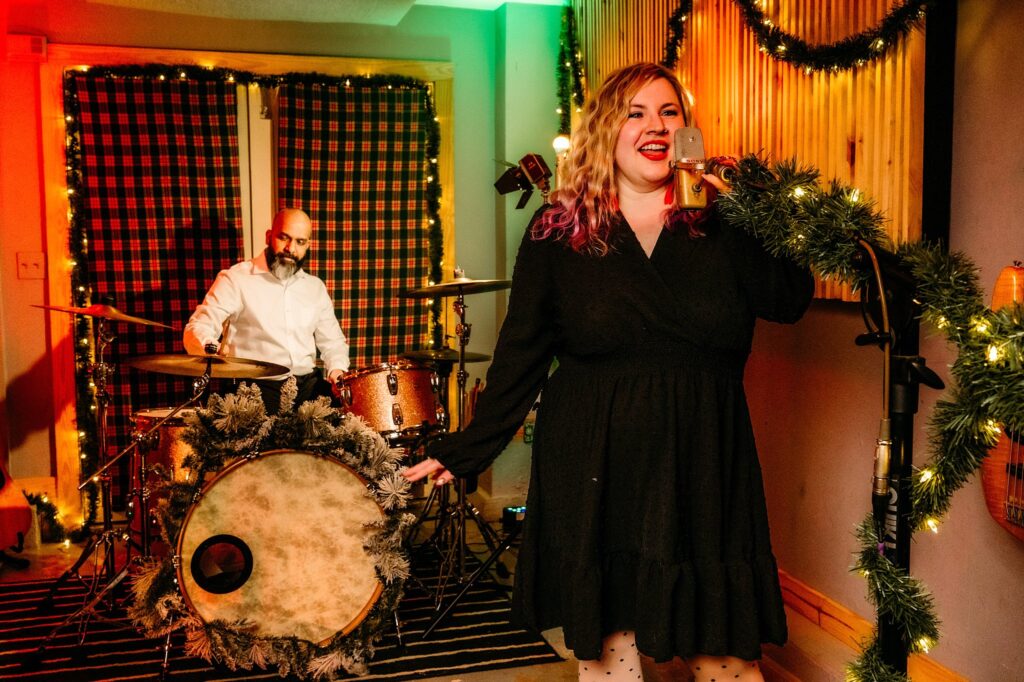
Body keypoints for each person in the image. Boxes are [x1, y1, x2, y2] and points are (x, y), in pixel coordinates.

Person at [403, 63, 814, 682]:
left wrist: (752, 206)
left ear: (687, 129)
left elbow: (789, 298)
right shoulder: (558, 230)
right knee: (609, 652)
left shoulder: (723, 225)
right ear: (605, 130)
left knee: (723, 651)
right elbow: (521, 354)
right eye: (637, 112)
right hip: (594, 457)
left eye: (670, 112)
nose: (656, 125)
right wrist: (466, 449)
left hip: (702, 460)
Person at [183, 208, 349, 413]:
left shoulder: (315, 287)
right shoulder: (236, 278)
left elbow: (333, 342)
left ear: (308, 245)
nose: (291, 248)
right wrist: (209, 347)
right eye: (284, 238)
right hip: (254, 392)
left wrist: (337, 370)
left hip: (308, 389)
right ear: (269, 236)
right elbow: (198, 326)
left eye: (300, 242)